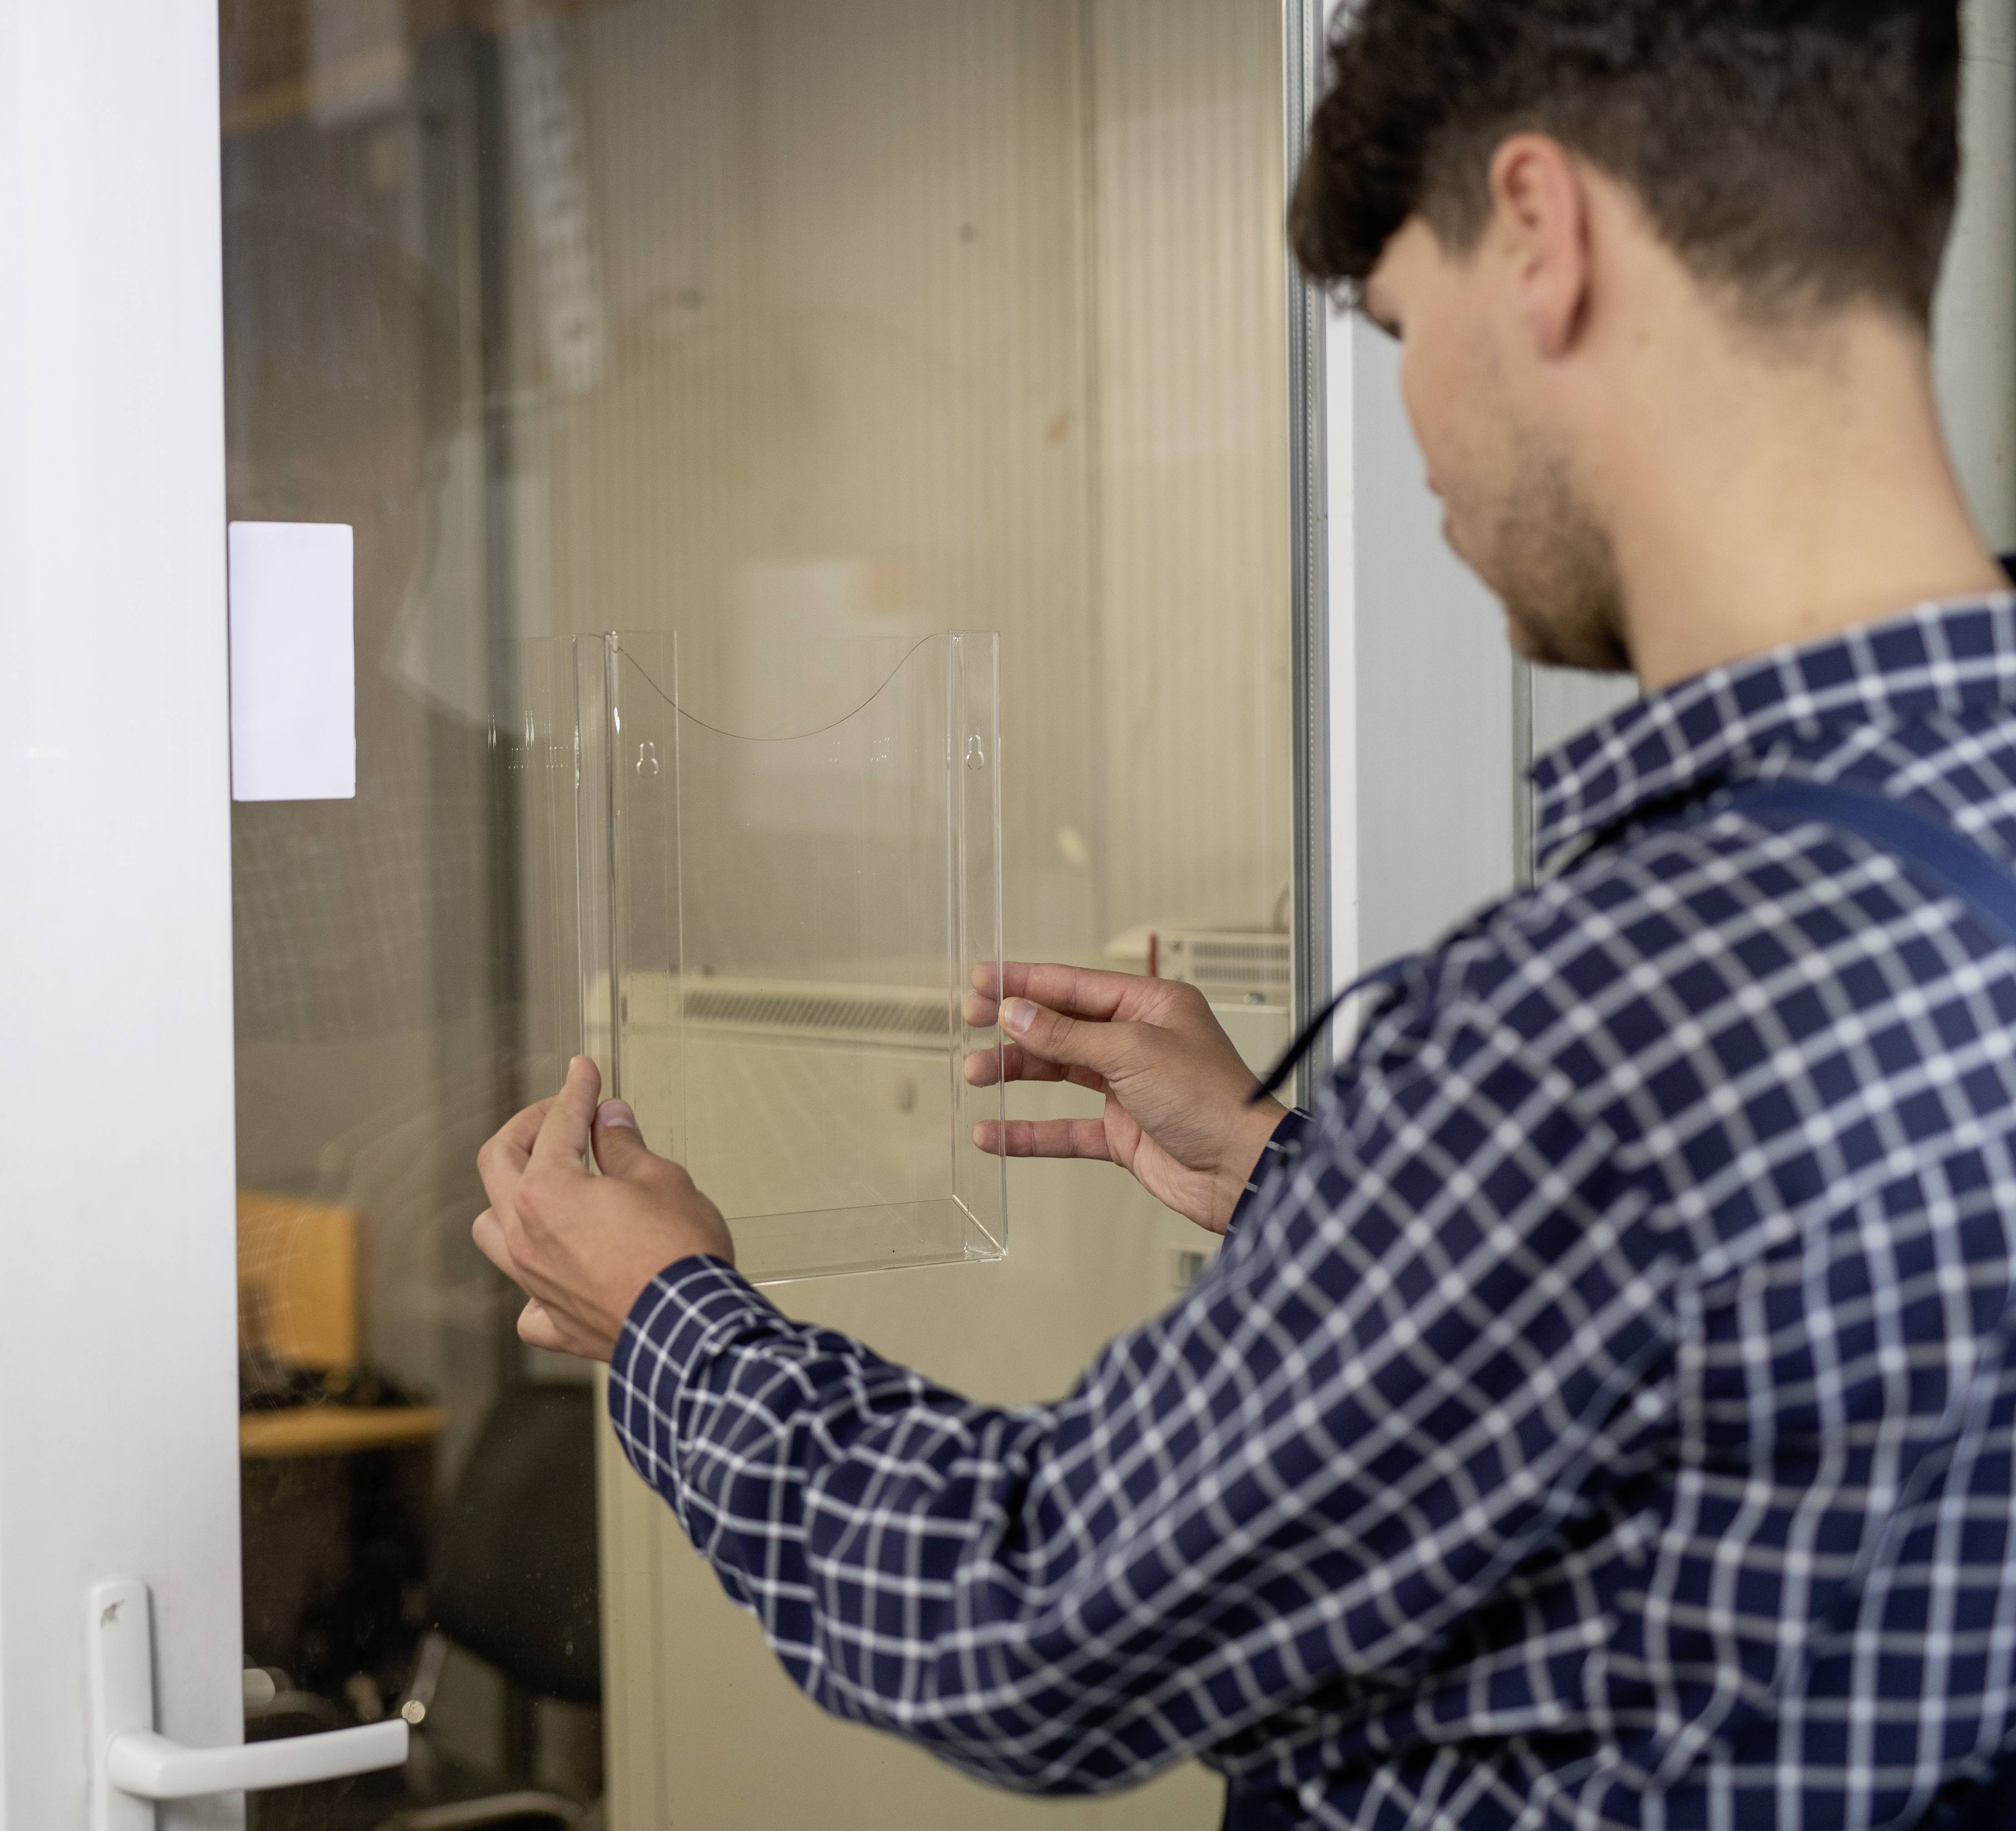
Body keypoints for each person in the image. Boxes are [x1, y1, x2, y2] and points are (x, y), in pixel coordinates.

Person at [471, 3, 2016, 1826]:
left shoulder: (1616, 1017)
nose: (1416, 437)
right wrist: (1315, 1183)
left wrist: (663, 1312)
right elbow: (1750, 1377)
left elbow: (1030, 1620)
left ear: (1543, 229)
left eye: (1401, 329)